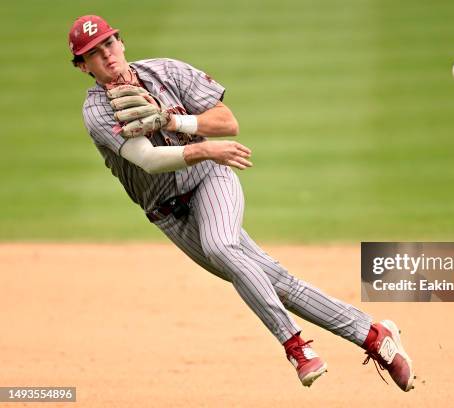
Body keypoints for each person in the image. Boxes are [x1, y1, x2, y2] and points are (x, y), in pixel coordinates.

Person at [69, 15, 415, 391]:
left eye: (108, 44)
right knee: (273, 280)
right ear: (83, 66)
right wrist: (203, 147)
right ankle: (375, 336)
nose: (105, 55)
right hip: (169, 214)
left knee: (221, 245)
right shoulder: (97, 112)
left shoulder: (166, 71)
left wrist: (176, 122)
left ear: (121, 42)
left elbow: (226, 122)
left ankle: (296, 347)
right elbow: (149, 160)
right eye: (93, 53)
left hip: (209, 179)